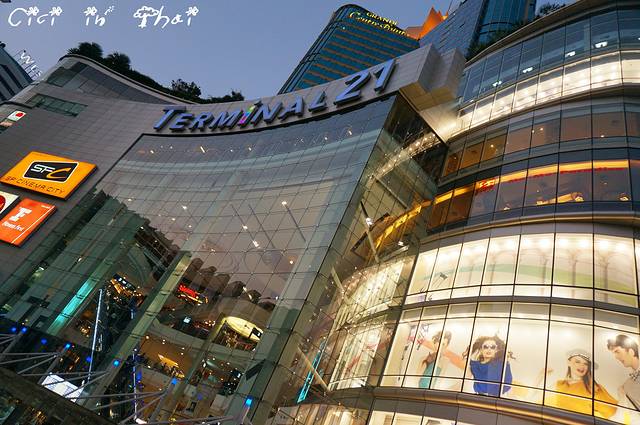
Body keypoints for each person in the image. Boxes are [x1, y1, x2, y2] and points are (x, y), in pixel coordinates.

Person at [545, 349, 617, 418]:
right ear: (568, 362)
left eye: (585, 363)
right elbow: (539, 399)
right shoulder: (559, 384)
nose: (582, 366)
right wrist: (542, 376)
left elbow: (614, 414)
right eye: (577, 362)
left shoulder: (593, 388)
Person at [607, 334, 640, 410]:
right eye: (614, 353)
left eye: (617, 351)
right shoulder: (627, 383)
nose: (616, 357)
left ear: (631, 351)